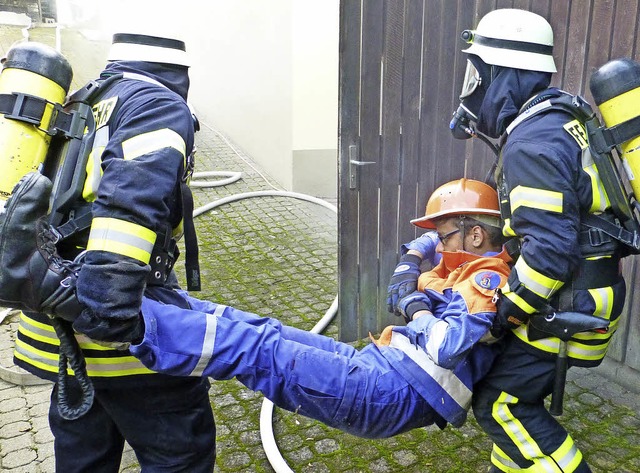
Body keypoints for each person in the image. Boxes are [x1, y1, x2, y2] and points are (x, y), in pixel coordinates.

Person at [2, 175, 509, 439]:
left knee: (254, 348)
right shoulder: (458, 262)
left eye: (443, 236)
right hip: (384, 368)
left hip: (395, 391)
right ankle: (131, 297)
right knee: (258, 327)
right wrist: (417, 262)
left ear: (476, 233)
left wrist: (417, 304)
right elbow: (415, 265)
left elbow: (444, 344)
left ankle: (68, 298)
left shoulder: (487, 277)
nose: (436, 246)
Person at [10, 32, 216, 472]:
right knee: (180, 457)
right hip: (125, 341)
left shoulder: (85, 100)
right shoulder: (155, 105)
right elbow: (131, 204)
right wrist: (112, 317)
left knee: (83, 459)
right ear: (180, 72)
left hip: (60, 338)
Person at [449, 9, 627, 472]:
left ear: (506, 75)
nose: (475, 87)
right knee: (510, 397)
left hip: (569, 300)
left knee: (501, 405)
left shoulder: (532, 142)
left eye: (481, 74)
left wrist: (501, 315)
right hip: (589, 290)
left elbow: (548, 252)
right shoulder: (563, 117)